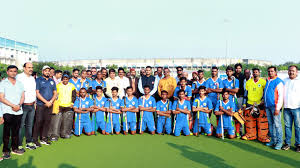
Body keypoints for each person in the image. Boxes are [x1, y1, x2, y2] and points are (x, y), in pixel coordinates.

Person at [0, 65, 25, 158]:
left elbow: (23, 96)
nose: (13, 73)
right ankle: (6, 150)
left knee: (16, 132)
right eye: (11, 71)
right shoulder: (3, 83)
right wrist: (13, 105)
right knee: (7, 133)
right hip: (8, 111)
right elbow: (1, 98)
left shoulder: (20, 83)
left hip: (18, 111)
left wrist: (18, 105)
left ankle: (14, 149)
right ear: (7, 72)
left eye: (15, 71)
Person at [242, 68, 270, 143]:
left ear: (259, 73)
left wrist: (263, 101)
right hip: (250, 103)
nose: (255, 73)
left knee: (262, 121)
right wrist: (244, 104)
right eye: (254, 72)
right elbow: (245, 93)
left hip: (260, 104)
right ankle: (250, 134)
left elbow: (265, 92)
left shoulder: (263, 82)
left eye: (256, 72)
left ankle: (263, 136)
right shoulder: (248, 82)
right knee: (249, 121)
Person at [33, 65, 57, 147]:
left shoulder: (52, 81)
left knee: (47, 121)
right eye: (46, 70)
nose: (47, 72)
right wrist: (46, 102)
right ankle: (35, 139)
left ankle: (44, 138)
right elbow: (37, 93)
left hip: (50, 104)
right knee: (38, 121)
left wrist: (50, 101)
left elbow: (55, 93)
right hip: (41, 104)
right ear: (43, 71)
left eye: (48, 71)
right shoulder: (38, 80)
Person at [49, 74, 76, 140]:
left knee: (66, 121)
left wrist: (72, 103)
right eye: (64, 79)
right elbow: (55, 95)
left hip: (68, 106)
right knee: (56, 121)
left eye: (66, 79)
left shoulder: (72, 86)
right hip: (59, 106)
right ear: (62, 79)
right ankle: (55, 135)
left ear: (68, 79)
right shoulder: (58, 86)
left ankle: (65, 134)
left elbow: (74, 95)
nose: (65, 80)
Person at [17, 62, 37, 151]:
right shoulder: (19, 77)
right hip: (22, 106)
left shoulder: (32, 78)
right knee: (20, 126)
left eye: (32, 67)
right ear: (24, 68)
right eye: (29, 67)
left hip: (32, 105)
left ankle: (29, 142)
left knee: (29, 125)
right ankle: (19, 144)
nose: (31, 69)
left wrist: (35, 103)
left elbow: (33, 92)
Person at [264, 66, 284, 150]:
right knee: (271, 125)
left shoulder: (278, 81)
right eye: (269, 71)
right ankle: (273, 140)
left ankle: (279, 142)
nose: (270, 72)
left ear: (275, 72)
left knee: (277, 125)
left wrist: (277, 108)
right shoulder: (268, 81)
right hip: (267, 106)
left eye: (272, 71)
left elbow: (280, 96)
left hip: (275, 107)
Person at [282, 65, 300, 152]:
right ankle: (287, 143)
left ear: (297, 72)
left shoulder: (299, 81)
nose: (291, 72)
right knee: (287, 126)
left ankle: (298, 144)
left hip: (297, 107)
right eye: (289, 71)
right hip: (286, 108)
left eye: (293, 71)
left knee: (298, 127)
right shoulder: (285, 80)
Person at [222, 66, 241, 138]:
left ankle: (238, 132)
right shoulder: (224, 81)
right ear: (226, 72)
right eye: (227, 71)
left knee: (235, 116)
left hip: (233, 100)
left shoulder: (236, 80)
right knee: (226, 115)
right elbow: (222, 91)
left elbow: (236, 91)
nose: (229, 73)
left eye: (230, 71)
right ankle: (226, 130)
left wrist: (227, 89)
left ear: (232, 72)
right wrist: (230, 91)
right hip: (226, 101)